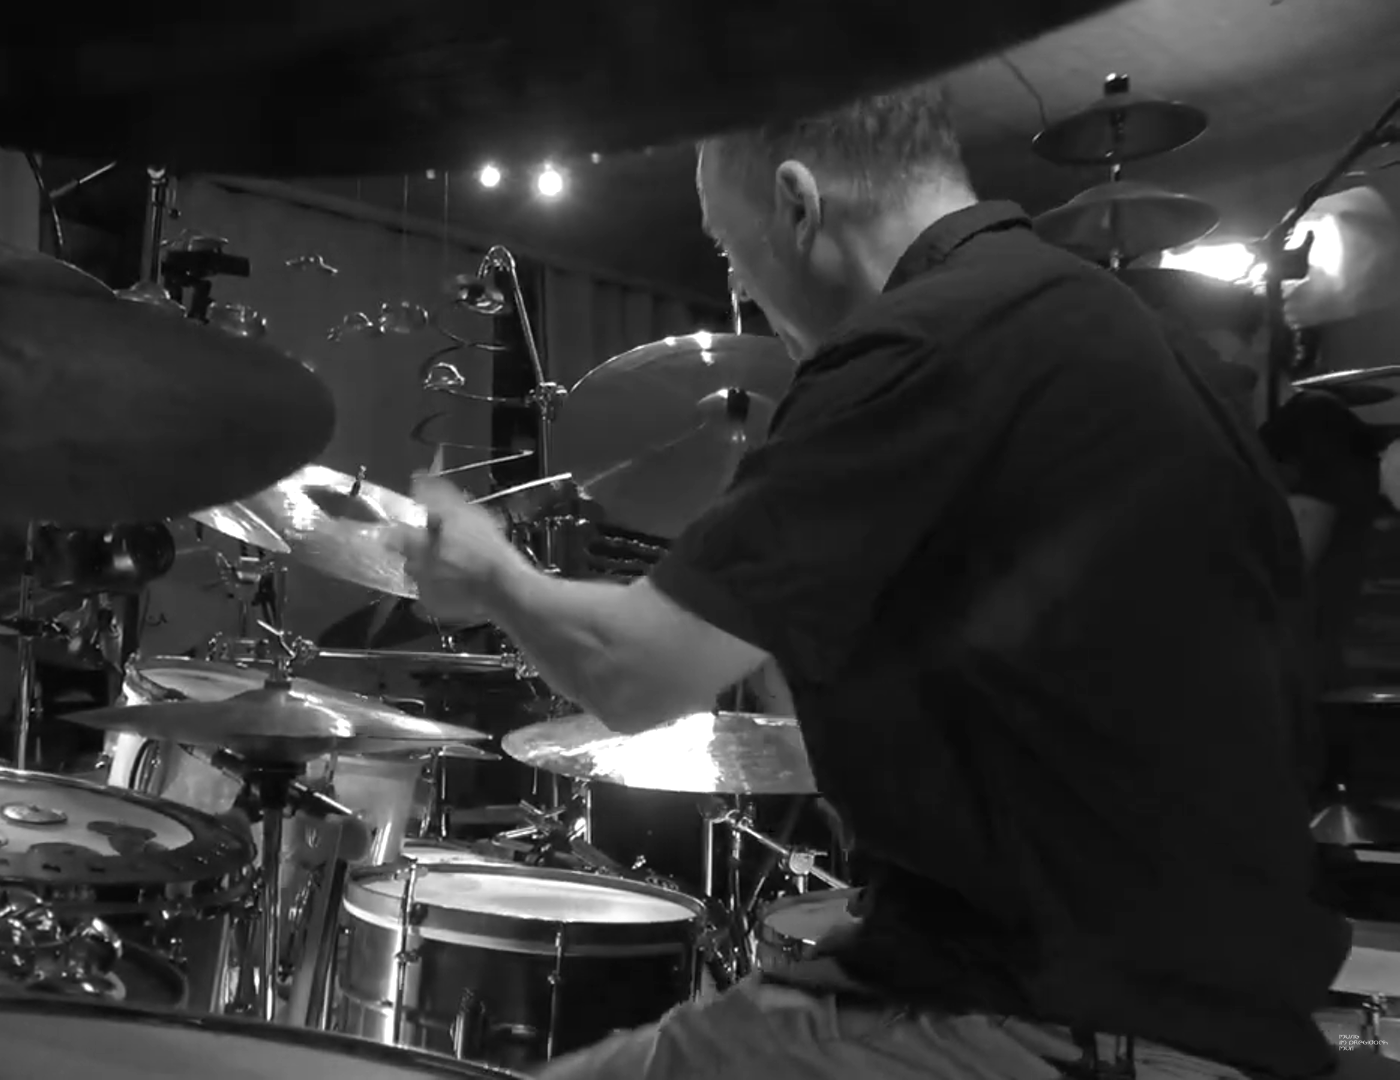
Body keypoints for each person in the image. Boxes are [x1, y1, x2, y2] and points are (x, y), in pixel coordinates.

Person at [392, 85, 1353, 1079]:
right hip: (1217, 1018)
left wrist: (489, 573)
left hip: (1049, 1020)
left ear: (798, 205)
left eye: (728, 250)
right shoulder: (1118, 335)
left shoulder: (923, 341)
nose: (740, 287)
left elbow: (635, 672)